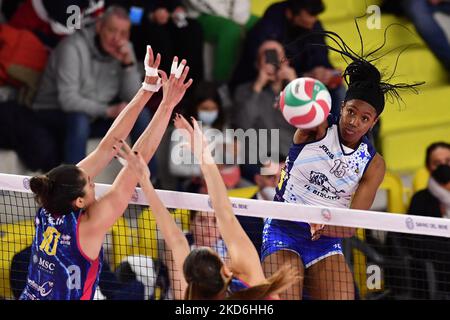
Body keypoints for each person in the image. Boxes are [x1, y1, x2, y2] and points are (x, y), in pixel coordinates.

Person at [261, 28, 423, 299]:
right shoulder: (319, 130)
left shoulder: (373, 164)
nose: (353, 121)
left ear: (373, 122)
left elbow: (350, 225)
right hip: (283, 228)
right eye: (351, 111)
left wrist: (323, 227)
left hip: (325, 241)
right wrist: (295, 96)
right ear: (343, 106)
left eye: (364, 118)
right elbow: (305, 106)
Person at [19, 47, 193, 300]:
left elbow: (108, 146)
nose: (93, 181)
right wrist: (166, 105)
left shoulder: (49, 201)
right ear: (78, 201)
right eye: (90, 183)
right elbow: (137, 163)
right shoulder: (90, 225)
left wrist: (147, 87)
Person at [117, 115, 299, 300]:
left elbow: (176, 239)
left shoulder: (190, 298)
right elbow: (224, 212)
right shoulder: (249, 279)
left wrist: (144, 180)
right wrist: (204, 154)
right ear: (225, 271)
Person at [31, 6, 151, 165]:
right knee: (79, 119)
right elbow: (69, 100)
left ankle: (148, 179)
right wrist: (108, 111)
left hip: (95, 115)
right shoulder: (72, 47)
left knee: (140, 114)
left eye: (123, 33)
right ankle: (74, 182)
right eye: (112, 30)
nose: (117, 38)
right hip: (53, 112)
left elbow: (135, 99)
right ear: (99, 26)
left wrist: (128, 66)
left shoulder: (124, 50)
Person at [231, 0, 345, 117]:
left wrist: (326, 72)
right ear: (291, 13)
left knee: (338, 90)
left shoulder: (314, 25)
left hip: (300, 80)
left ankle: (334, 131)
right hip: (269, 81)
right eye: (310, 14)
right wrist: (297, 77)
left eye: (315, 15)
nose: (313, 19)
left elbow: (321, 56)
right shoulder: (271, 24)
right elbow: (270, 65)